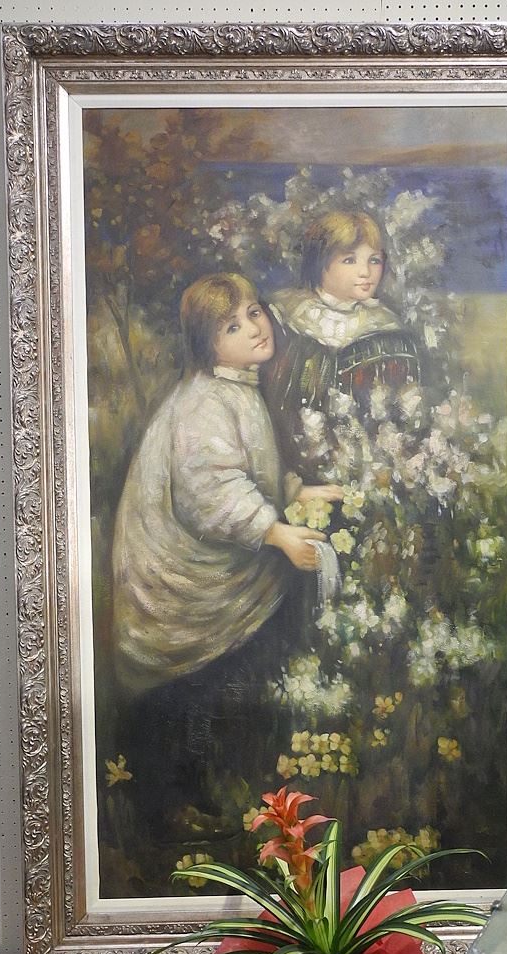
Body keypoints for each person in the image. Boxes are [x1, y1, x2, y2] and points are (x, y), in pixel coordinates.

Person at [111, 272, 341, 829]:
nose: (254, 328)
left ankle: (213, 787)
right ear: (206, 344)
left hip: (217, 573)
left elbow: (250, 467)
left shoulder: (237, 387)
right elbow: (210, 492)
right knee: (189, 692)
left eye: (254, 313)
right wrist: (278, 532)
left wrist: (295, 492)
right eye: (231, 326)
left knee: (219, 687)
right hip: (180, 582)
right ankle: (169, 809)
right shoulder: (203, 403)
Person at [263, 210, 428, 477]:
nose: (366, 272)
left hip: (364, 465)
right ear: (320, 264)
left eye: (374, 260)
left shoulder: (387, 329)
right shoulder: (282, 316)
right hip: (289, 463)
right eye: (349, 260)